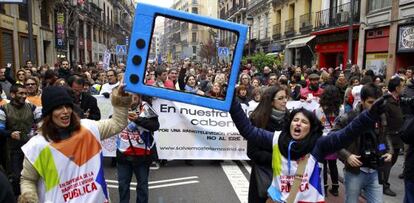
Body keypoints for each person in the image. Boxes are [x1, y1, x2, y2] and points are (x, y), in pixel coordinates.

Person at [229, 91, 388, 202]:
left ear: (311, 129)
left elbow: (347, 133)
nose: (298, 123)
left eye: (304, 122)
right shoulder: (277, 139)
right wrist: (232, 103)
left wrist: (370, 115)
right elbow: (248, 131)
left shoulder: (318, 144)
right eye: (295, 120)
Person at [19, 84, 132, 202]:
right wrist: (29, 196)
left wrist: (121, 99)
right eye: (58, 108)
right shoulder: (37, 146)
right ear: (48, 113)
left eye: (68, 106)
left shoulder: (88, 128)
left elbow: (117, 124)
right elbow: (28, 179)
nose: (65, 111)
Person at [335, 83, 393, 203]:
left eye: (377, 102)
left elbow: (385, 134)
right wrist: (347, 155)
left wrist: (389, 151)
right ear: (362, 100)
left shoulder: (381, 116)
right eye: (371, 102)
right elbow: (333, 138)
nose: (374, 106)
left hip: (375, 170)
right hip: (355, 172)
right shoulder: (349, 117)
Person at [247, 85, 289, 203]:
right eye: (280, 98)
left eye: (286, 97)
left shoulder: (290, 118)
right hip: (264, 174)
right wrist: (277, 159)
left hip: (285, 175)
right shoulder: (257, 119)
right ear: (271, 101)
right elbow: (252, 152)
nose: (285, 101)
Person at [116, 94, 159, 203]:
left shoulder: (145, 107)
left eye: (133, 97)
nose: (131, 100)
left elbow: (155, 125)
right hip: (123, 153)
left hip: (142, 155)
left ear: (139, 96)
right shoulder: (120, 106)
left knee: (142, 185)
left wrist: (138, 119)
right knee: (123, 185)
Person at [0, 84, 41, 196]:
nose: (24, 96)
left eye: (25, 93)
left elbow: (40, 121)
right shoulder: (3, 109)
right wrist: (10, 133)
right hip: (13, 149)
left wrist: (40, 128)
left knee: (33, 175)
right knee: (16, 176)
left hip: (31, 147)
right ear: (13, 94)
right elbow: (0, 128)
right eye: (21, 93)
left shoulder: (32, 107)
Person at [315, 85, 343, 196]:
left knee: (324, 166)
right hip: (335, 139)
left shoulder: (318, 110)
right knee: (333, 164)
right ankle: (335, 188)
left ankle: (324, 189)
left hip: (323, 140)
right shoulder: (340, 110)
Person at [382, 76, 405, 196]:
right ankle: (383, 185)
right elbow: (383, 123)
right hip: (387, 138)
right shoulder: (386, 101)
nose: (404, 88)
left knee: (392, 160)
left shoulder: (398, 100)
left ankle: (380, 182)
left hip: (396, 138)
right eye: (402, 85)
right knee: (386, 161)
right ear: (397, 88)